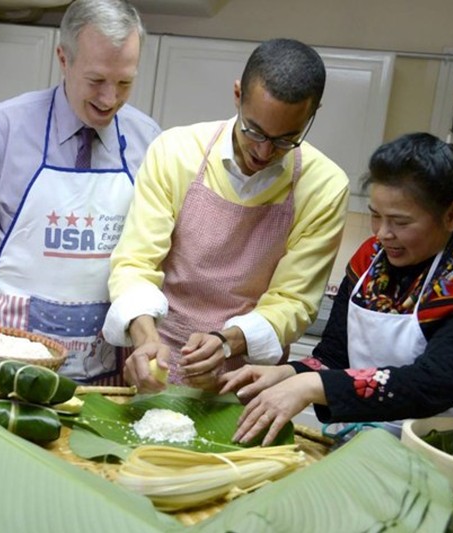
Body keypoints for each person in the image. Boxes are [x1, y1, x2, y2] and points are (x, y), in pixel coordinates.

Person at [102, 38, 350, 393]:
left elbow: (293, 302)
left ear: (313, 114)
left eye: (286, 139)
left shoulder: (324, 186)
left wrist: (226, 342)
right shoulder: (176, 152)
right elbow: (136, 263)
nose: (264, 152)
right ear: (237, 94)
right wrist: (144, 339)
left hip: (247, 382)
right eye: (255, 131)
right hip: (155, 361)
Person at [219, 132, 453, 446]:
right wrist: (289, 374)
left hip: (451, 449)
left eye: (400, 222)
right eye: (376, 216)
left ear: (452, 215)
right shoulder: (371, 261)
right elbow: (335, 355)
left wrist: (312, 386)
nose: (383, 234)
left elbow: (433, 382)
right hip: (371, 443)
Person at [0, 0, 162, 385]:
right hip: (10, 352)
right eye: (96, 81)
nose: (109, 99)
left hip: (108, 363)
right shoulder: (3, 128)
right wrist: (5, 304)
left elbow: (152, 253)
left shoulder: (149, 140)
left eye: (125, 82)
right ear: (63, 59)